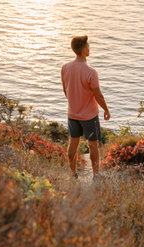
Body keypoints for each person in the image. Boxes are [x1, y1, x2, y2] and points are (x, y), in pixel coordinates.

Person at [61, 35, 110, 179]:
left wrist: (76, 103)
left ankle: (72, 173)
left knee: (73, 144)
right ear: (83, 50)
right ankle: (96, 175)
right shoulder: (91, 72)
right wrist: (106, 110)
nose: (89, 48)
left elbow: (66, 91)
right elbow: (98, 95)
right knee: (93, 145)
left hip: (72, 114)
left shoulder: (65, 68)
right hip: (89, 115)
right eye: (88, 46)